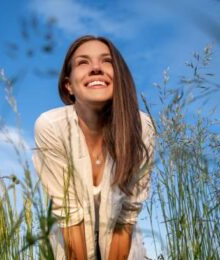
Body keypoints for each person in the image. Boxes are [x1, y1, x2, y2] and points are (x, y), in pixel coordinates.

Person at [32, 35, 154, 260]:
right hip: (67, 239)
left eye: (107, 61)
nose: (96, 67)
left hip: (123, 241)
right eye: (83, 62)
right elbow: (68, 216)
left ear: (119, 78)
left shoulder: (142, 127)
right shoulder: (51, 127)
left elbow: (125, 218)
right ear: (69, 85)